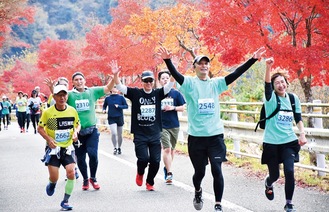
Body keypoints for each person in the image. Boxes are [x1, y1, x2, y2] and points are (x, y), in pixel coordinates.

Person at [157, 46, 266, 212]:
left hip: (215, 135)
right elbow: (177, 76)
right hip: (196, 137)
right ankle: (198, 190)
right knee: (199, 172)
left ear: (209, 67)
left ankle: (218, 204)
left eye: (206, 63)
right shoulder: (190, 83)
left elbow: (235, 74)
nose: (204, 66)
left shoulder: (216, 84)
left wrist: (253, 59)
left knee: (217, 168)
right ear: (195, 67)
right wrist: (167, 61)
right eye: (200, 63)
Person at [110, 60, 175, 191]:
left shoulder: (157, 93)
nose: (149, 83)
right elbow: (120, 87)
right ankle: (140, 172)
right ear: (142, 82)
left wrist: (173, 70)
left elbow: (170, 85)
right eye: (146, 81)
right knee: (144, 159)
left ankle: (150, 182)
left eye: (151, 81)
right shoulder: (135, 93)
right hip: (140, 133)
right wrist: (116, 75)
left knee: (155, 161)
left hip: (155, 133)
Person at [262, 58, 307, 212]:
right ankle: (269, 183)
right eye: (277, 83)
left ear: (286, 83)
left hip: (289, 141)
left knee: (289, 171)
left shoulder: (293, 99)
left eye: (283, 82)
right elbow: (266, 86)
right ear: (274, 87)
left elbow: (298, 118)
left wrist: (302, 134)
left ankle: (289, 203)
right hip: (272, 142)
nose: (281, 85)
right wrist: (268, 68)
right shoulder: (271, 99)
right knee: (275, 175)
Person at [66, 72, 115, 190]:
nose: (79, 82)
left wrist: (114, 78)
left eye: (80, 79)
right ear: (73, 82)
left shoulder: (92, 92)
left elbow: (108, 88)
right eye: (76, 80)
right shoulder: (70, 95)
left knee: (93, 154)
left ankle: (93, 177)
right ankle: (85, 179)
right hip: (77, 133)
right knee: (81, 158)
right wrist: (52, 88)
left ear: (84, 80)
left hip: (92, 130)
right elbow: (58, 98)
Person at [38, 84, 80, 210]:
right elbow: (40, 128)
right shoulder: (48, 112)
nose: (62, 98)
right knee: (54, 176)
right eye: (59, 95)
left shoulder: (72, 110)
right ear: (54, 97)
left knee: (71, 172)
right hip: (53, 149)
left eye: (64, 95)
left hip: (67, 147)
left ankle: (65, 201)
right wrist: (49, 139)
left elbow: (77, 124)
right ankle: (52, 183)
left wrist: (76, 132)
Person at [158, 70, 186, 184]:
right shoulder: (157, 93)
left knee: (172, 150)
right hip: (162, 125)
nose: (165, 80)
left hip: (174, 124)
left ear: (170, 80)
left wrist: (172, 108)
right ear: (159, 81)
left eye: (167, 78)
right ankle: (169, 173)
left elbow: (183, 107)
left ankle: (167, 167)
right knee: (167, 148)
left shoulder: (176, 93)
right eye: (163, 78)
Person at [102, 86, 128, 155]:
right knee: (114, 133)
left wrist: (119, 106)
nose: (115, 89)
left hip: (119, 117)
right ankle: (115, 147)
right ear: (111, 89)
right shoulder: (108, 98)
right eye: (114, 87)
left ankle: (119, 147)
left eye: (116, 87)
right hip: (111, 117)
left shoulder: (121, 97)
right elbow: (104, 106)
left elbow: (126, 106)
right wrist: (104, 110)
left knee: (120, 134)